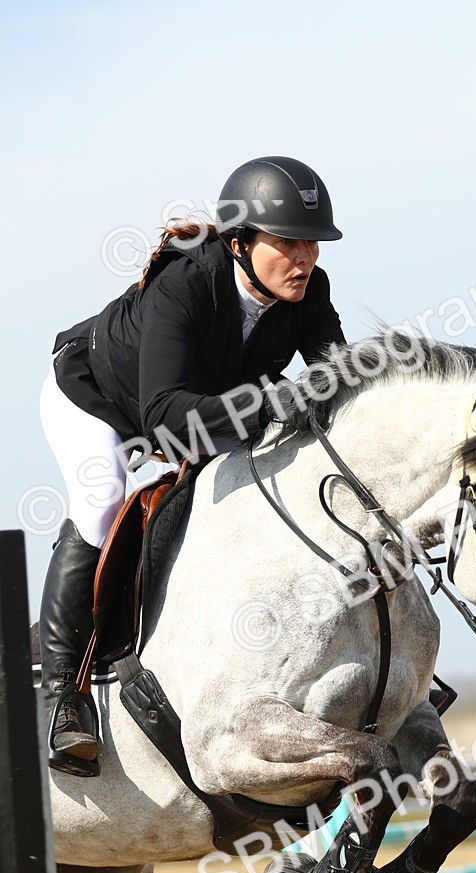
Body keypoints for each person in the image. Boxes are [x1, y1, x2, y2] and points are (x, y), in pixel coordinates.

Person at [40, 155, 345, 777]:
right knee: (101, 501)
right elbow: (163, 415)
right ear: (238, 243)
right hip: (99, 398)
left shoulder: (309, 292)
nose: (304, 259)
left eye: (312, 243)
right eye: (287, 242)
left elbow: (341, 374)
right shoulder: (187, 284)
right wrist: (271, 401)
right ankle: (64, 694)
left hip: (194, 406)